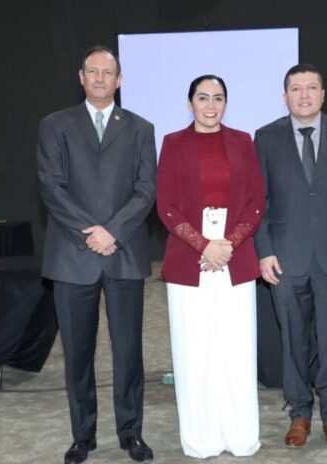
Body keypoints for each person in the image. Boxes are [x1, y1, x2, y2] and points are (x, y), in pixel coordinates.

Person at [36, 45, 156, 464]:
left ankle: (131, 434)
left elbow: (146, 190)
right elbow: (51, 188)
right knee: (77, 355)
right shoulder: (55, 125)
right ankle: (82, 437)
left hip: (124, 253)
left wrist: (113, 232)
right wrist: (92, 234)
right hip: (73, 256)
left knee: (129, 354)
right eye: (93, 71)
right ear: (81, 77)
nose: (101, 78)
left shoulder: (140, 128)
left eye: (109, 72)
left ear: (119, 80)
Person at [254, 63, 327, 451]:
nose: (303, 95)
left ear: (323, 95)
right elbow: (258, 203)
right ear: (284, 96)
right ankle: (300, 414)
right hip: (285, 259)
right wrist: (264, 251)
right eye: (296, 88)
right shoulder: (266, 137)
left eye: (311, 88)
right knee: (293, 342)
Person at [156, 75, 265, 459]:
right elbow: (166, 205)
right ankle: (200, 438)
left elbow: (256, 202)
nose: (210, 105)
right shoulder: (173, 143)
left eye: (218, 98)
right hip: (190, 257)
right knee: (194, 350)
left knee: (236, 350)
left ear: (226, 103)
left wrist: (228, 243)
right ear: (190, 104)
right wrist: (204, 245)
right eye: (202, 98)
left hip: (235, 255)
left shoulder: (243, 141)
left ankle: (240, 435)